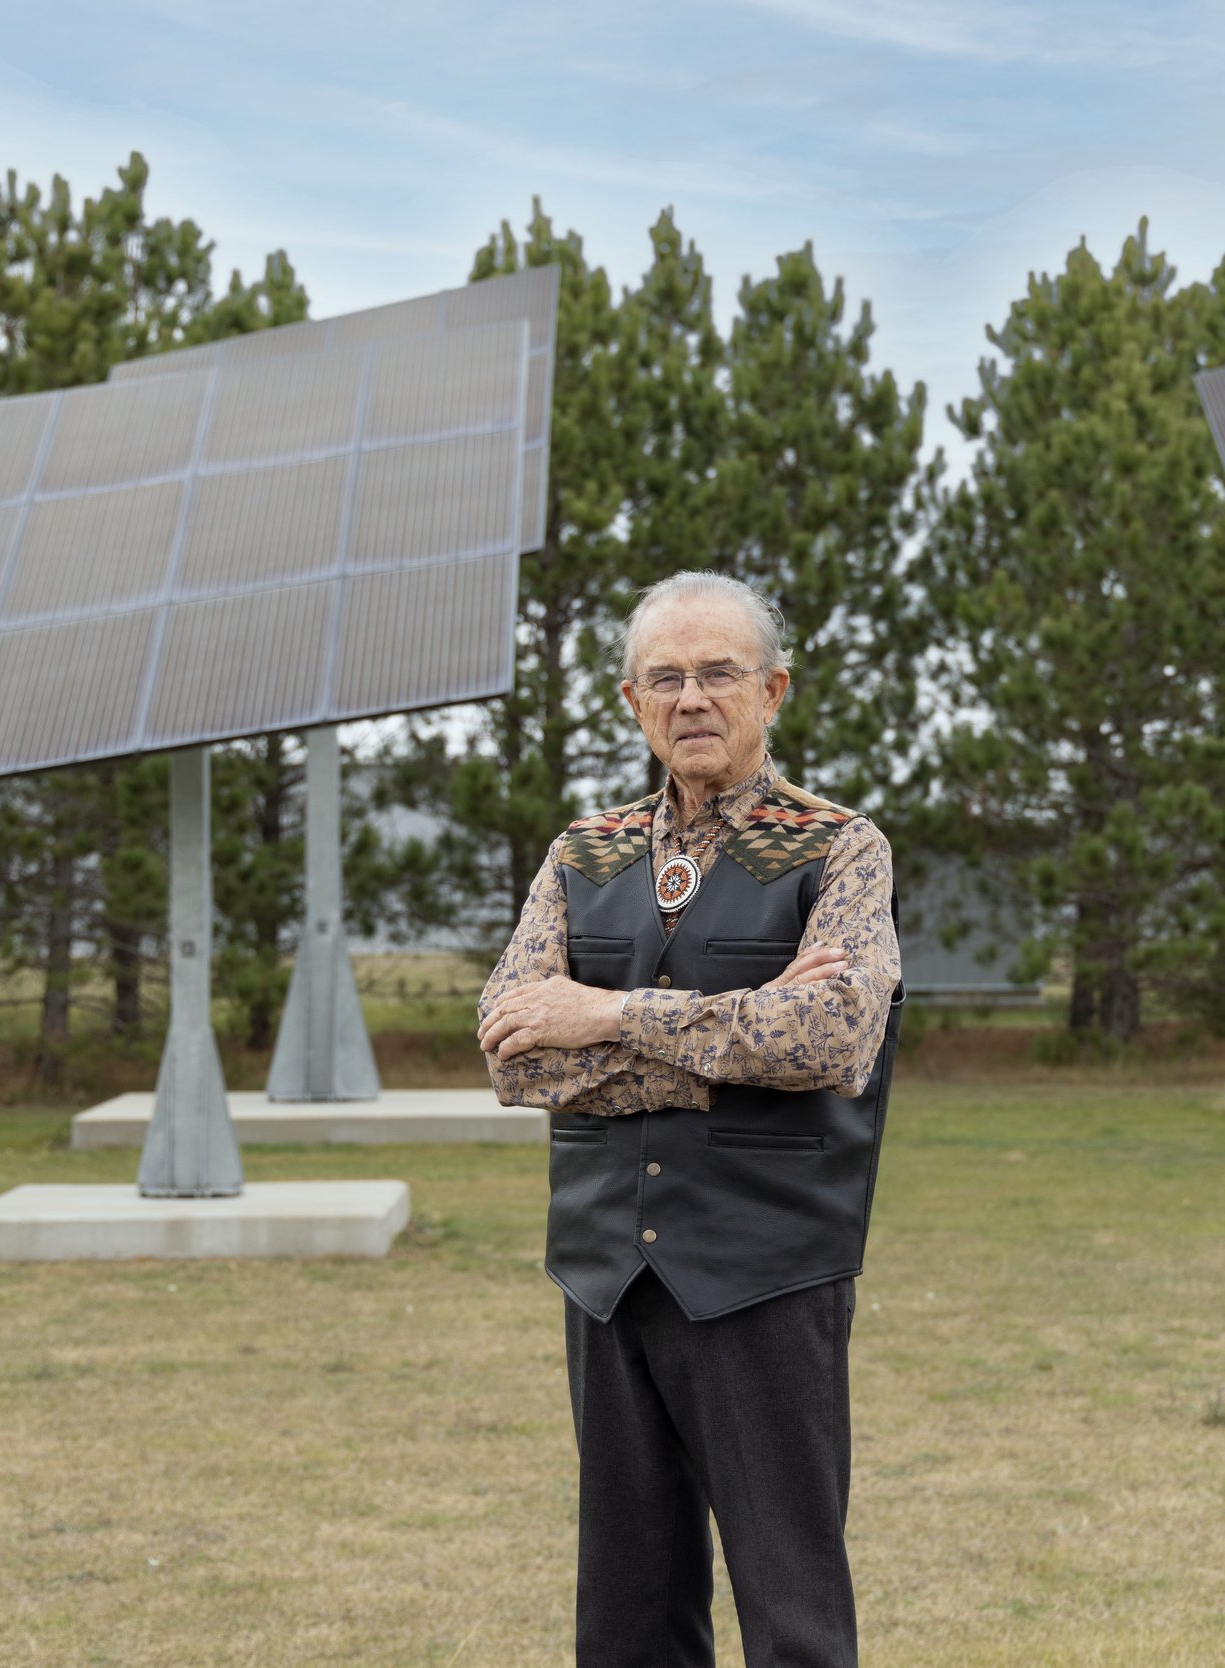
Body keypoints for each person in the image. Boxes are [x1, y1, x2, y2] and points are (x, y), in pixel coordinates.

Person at [477, 571, 903, 1668]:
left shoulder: (838, 849)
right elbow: (517, 1063)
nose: (693, 698)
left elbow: (831, 1039)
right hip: (606, 1276)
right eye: (665, 678)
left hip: (766, 1273)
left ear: (773, 689)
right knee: (627, 1614)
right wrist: (737, 1043)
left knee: (791, 1608)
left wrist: (607, 1015)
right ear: (632, 703)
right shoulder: (583, 854)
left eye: (718, 673)